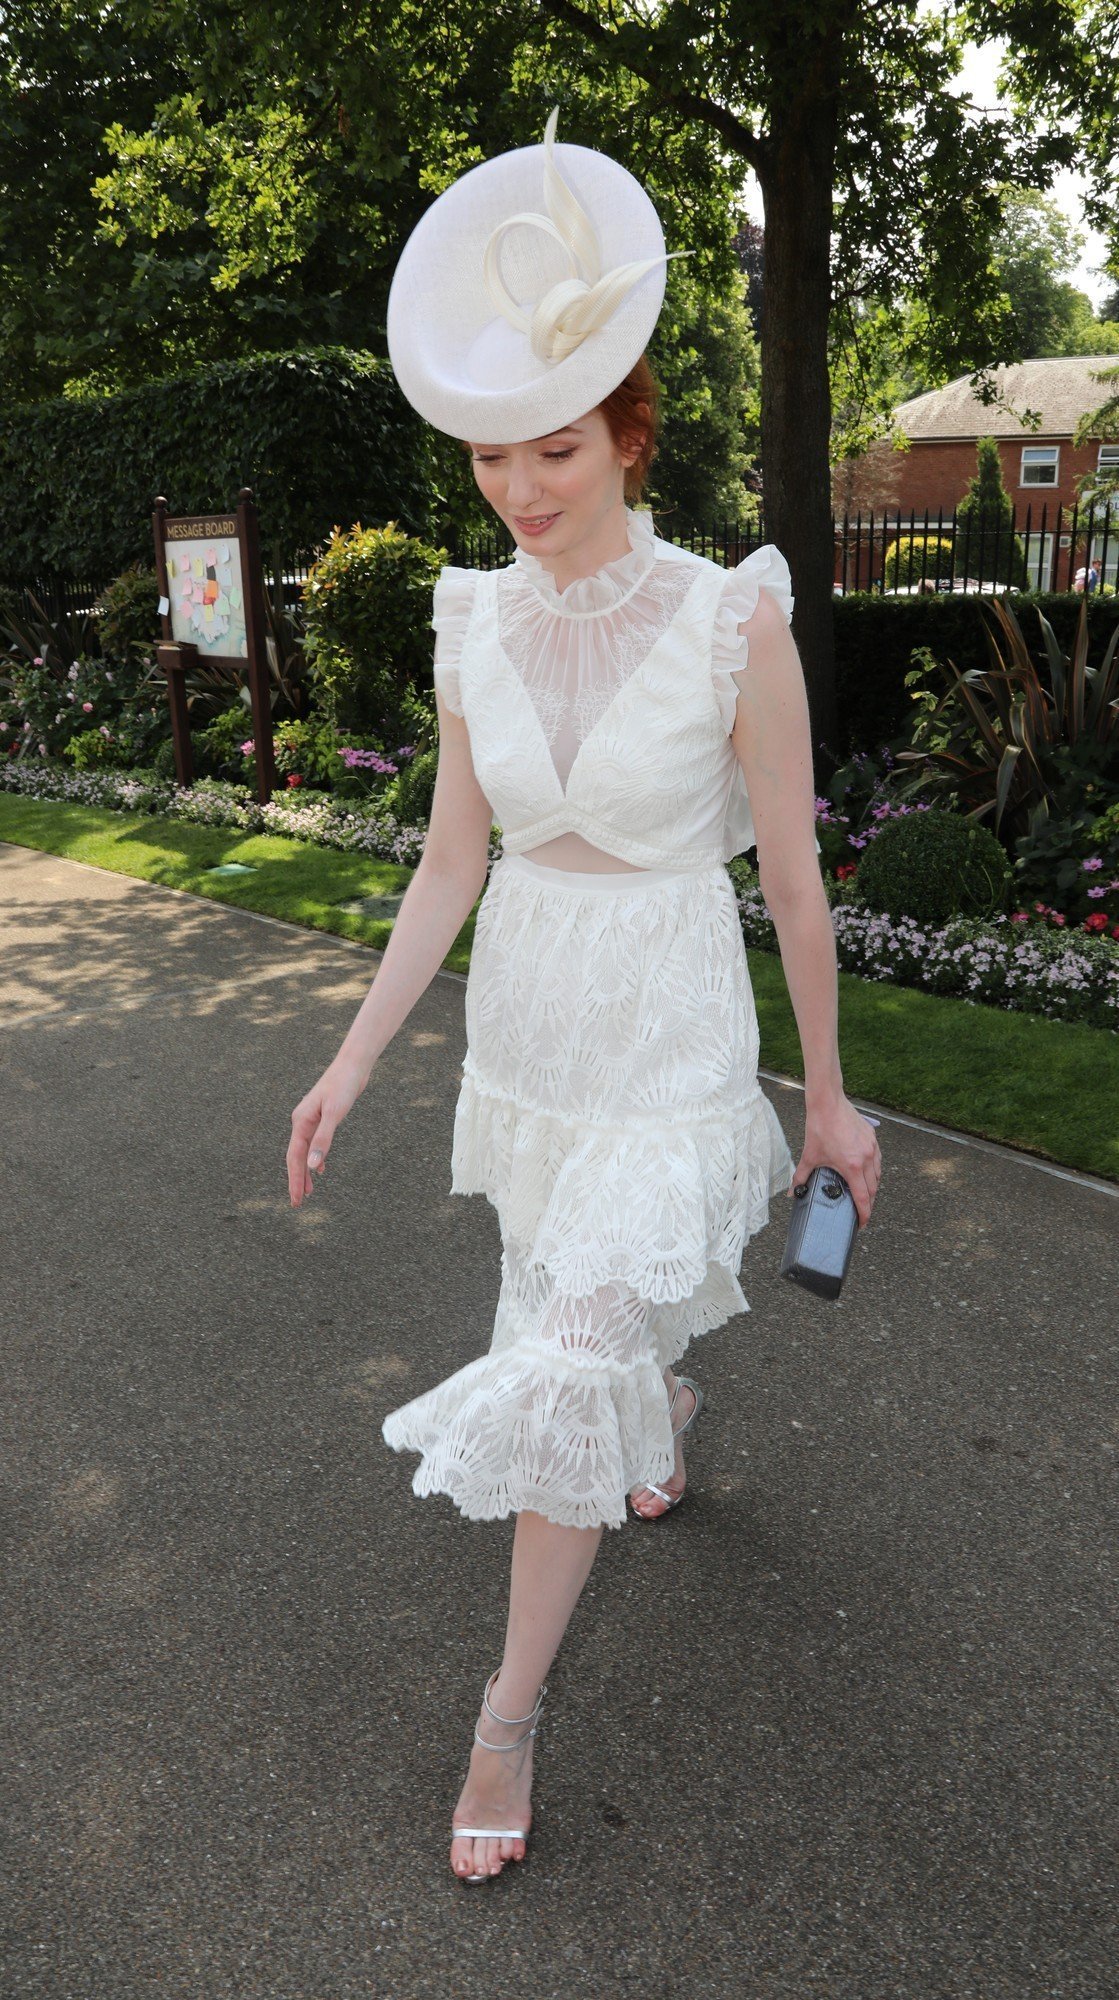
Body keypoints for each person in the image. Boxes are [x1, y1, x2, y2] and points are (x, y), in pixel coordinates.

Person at [285, 108, 882, 1886]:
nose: (521, 492)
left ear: (625, 430)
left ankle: (511, 1709)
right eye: (490, 459)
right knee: (581, 1317)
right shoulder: (473, 620)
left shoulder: (730, 621)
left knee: (557, 1366)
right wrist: (349, 1057)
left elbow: (789, 877)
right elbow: (451, 865)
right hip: (534, 1038)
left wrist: (833, 1098)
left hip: (672, 1025)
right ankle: (667, 1415)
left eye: (552, 451)